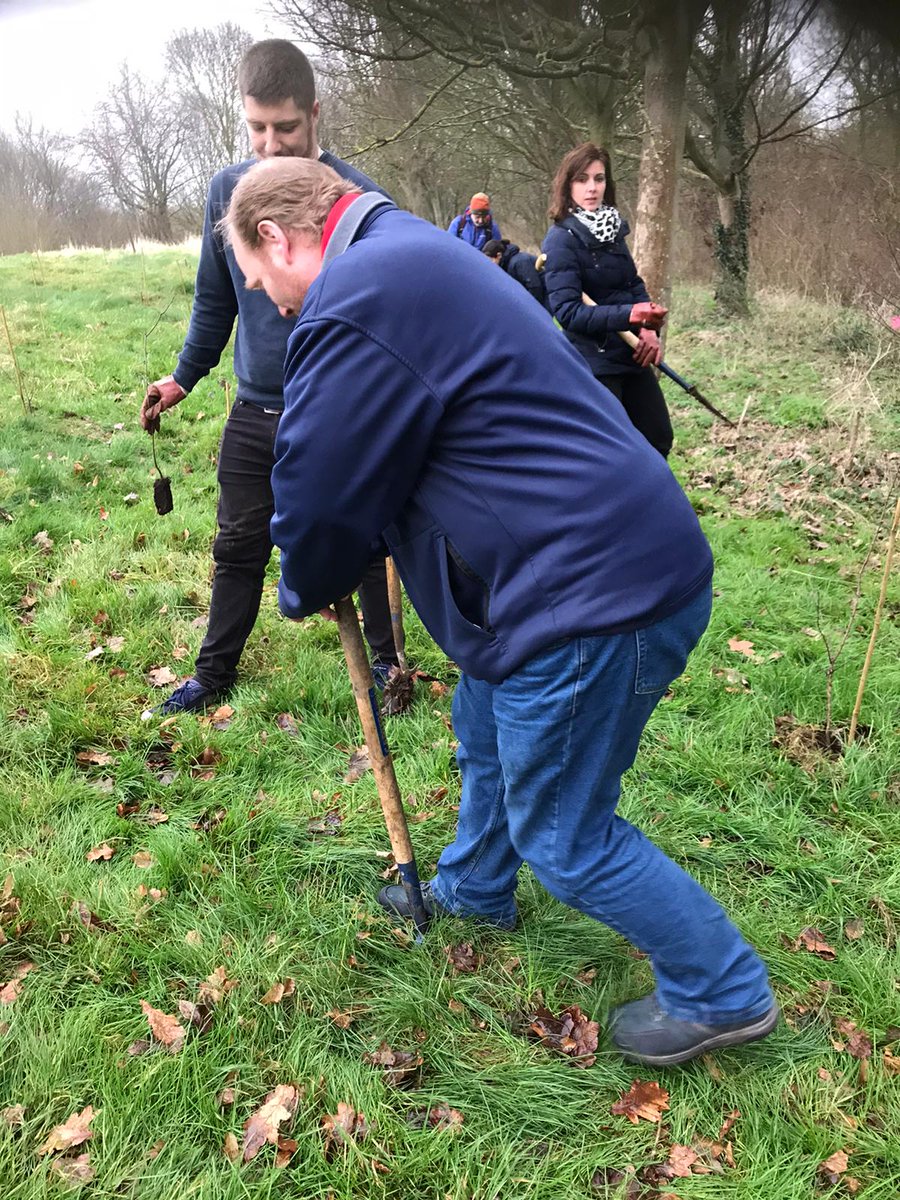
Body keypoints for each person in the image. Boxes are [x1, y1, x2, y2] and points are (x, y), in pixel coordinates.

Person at [220, 156, 777, 1067]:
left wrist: (306, 579)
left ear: (281, 238)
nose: (270, 301)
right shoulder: (405, 254)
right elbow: (386, 447)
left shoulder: (358, 291)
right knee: (482, 714)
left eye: (260, 277)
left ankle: (724, 990)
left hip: (594, 598)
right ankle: (476, 886)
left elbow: (318, 488)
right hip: (600, 564)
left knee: (565, 835)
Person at [139, 40, 398, 714]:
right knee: (238, 544)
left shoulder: (358, 199)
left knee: (366, 540)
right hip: (257, 408)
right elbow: (214, 297)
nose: (271, 144)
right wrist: (183, 378)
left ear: (314, 115)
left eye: (286, 128)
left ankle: (389, 663)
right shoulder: (227, 193)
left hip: (340, 411)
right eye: (257, 129)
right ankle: (213, 673)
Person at [541, 143, 674, 458]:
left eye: (599, 179)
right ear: (567, 185)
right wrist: (631, 316)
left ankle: (650, 506)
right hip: (593, 362)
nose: (592, 188)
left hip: (631, 355)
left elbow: (632, 283)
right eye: (582, 179)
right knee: (609, 454)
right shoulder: (561, 240)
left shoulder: (611, 230)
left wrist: (649, 330)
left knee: (658, 440)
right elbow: (568, 312)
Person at [482, 238, 548, 309]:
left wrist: (530, 308)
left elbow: (535, 287)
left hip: (546, 296)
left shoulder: (519, 262)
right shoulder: (507, 265)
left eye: (490, 260)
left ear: (499, 255)